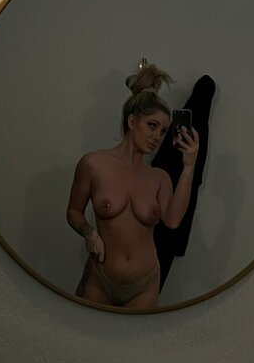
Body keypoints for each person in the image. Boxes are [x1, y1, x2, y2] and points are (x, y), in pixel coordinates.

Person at [67, 60, 199, 309]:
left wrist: (189, 167)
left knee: (137, 336)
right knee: (85, 332)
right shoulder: (93, 164)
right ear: (132, 122)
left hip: (145, 282)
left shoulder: (159, 177)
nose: (157, 137)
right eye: (152, 126)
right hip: (100, 278)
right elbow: (73, 211)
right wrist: (89, 233)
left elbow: (172, 221)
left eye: (163, 131)